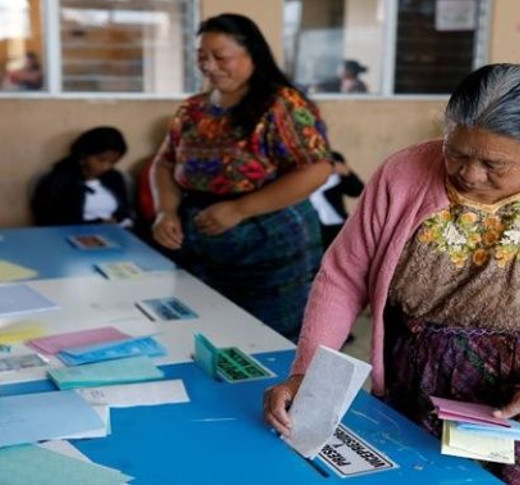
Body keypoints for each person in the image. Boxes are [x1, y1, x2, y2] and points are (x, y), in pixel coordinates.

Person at [264, 64, 520, 483]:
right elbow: (343, 278)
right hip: (417, 386)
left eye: (493, 163)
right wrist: (306, 374)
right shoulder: (401, 174)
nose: (469, 173)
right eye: (456, 152)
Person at [151, 14, 332, 342]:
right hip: (202, 249)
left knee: (265, 344)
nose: (209, 65)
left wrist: (240, 209)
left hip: (270, 251)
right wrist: (166, 210)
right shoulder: (193, 110)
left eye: (220, 56)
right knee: (201, 337)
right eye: (201, 56)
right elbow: (164, 164)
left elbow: (316, 169)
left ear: (253, 55)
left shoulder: (281, 104)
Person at [32, 126, 132, 227]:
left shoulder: (114, 178)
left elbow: (124, 210)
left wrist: (119, 220)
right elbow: (49, 220)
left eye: (113, 161)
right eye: (101, 160)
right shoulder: (58, 181)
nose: (106, 167)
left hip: (113, 234)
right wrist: (98, 224)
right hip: (71, 235)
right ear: (83, 155)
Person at [308, 151, 364, 249]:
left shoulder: (334, 160)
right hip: (312, 228)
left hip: (338, 226)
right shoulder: (299, 163)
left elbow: (357, 190)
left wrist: (346, 172)